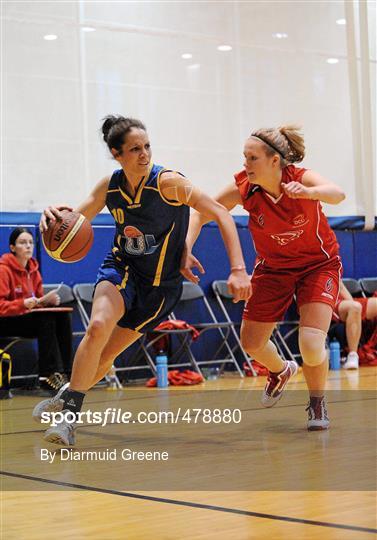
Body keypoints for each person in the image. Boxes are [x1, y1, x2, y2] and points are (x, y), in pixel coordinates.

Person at [33, 115, 251, 445]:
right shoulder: (110, 187)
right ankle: (68, 418)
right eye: (135, 149)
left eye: (147, 146)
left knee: (105, 357)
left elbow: (220, 212)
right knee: (96, 328)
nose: (145, 154)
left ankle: (66, 392)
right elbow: (73, 224)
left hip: (161, 287)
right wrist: (50, 217)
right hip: (122, 268)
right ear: (116, 153)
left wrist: (237, 268)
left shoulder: (168, 182)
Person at [182, 125, 345, 431]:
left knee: (311, 344)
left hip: (318, 265)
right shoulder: (244, 187)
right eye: (244, 157)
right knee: (251, 343)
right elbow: (200, 213)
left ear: (275, 161)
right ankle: (281, 370)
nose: (245, 164)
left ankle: (317, 400)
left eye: (252, 158)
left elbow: (338, 194)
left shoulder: (301, 178)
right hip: (273, 269)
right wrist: (187, 247)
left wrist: (310, 193)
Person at [0, 227, 72, 395]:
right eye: (23, 242)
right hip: (6, 320)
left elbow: (38, 301)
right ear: (12, 247)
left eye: (31, 242)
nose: (28, 246)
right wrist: (23, 304)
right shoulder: (3, 270)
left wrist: (46, 301)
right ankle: (46, 376)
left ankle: (67, 373)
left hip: (27, 319)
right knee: (45, 320)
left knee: (62, 316)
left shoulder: (33, 270)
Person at [332, 281, 377, 369]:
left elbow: (340, 287)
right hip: (325, 302)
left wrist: (352, 302)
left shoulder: (331, 268)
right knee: (355, 307)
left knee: (355, 306)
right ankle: (353, 356)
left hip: (342, 302)